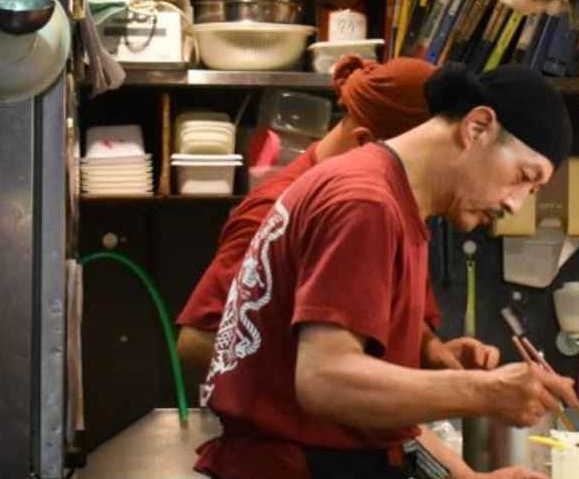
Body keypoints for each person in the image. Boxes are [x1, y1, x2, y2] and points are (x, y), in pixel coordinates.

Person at [197, 62, 577, 479]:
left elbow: (367, 400)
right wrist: (483, 392)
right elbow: (325, 380)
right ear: (477, 127)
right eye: (525, 177)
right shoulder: (365, 203)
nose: (515, 202)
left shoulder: (394, 202)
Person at [177, 56, 487, 380]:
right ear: (366, 144)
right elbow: (199, 341)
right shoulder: (277, 211)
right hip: (302, 430)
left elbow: (392, 310)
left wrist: (429, 350)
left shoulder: (400, 205)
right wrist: (324, 379)